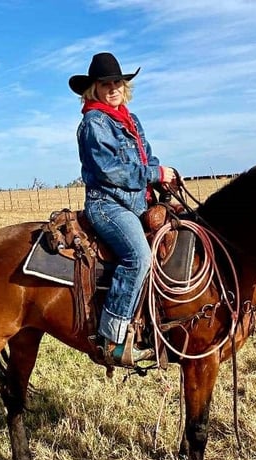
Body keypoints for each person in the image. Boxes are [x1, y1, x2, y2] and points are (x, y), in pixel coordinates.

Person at [69, 52, 177, 366]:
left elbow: (147, 158)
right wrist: (153, 175)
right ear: (94, 88)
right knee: (138, 256)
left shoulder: (129, 118)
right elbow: (109, 171)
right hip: (108, 205)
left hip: (137, 201)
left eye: (117, 81)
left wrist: (163, 177)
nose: (113, 88)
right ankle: (112, 339)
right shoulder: (93, 123)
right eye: (106, 84)